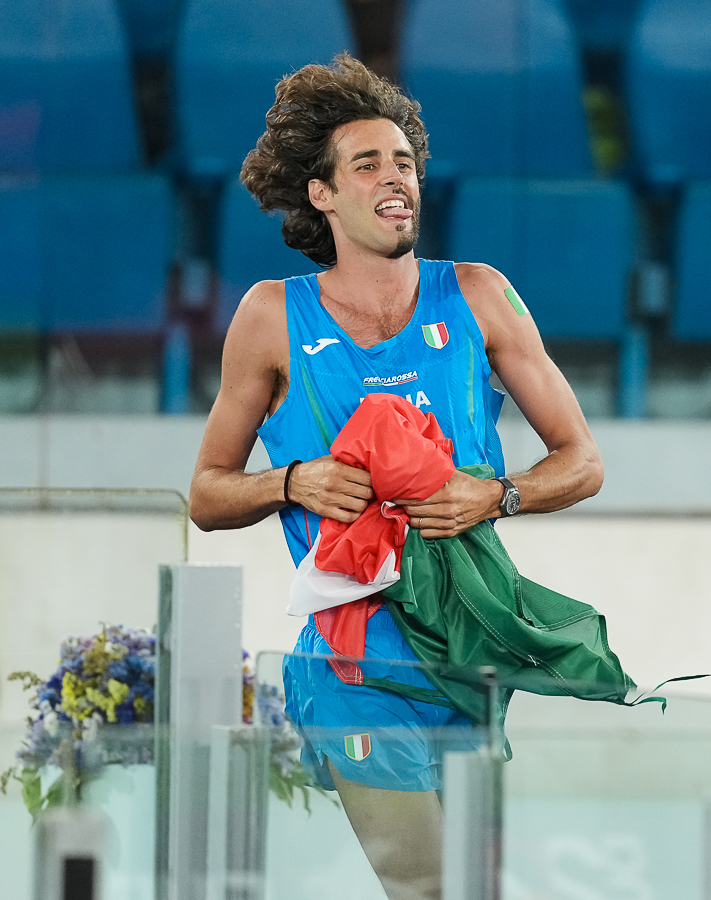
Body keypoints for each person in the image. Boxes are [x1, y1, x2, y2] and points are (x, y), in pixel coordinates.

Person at [190, 54, 604, 900]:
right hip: (354, 667)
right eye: (368, 164)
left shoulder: (480, 294)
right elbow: (206, 493)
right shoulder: (270, 315)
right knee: (425, 885)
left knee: (470, 887)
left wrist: (499, 494)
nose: (395, 178)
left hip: (468, 648)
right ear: (321, 194)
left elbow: (583, 461)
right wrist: (290, 482)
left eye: (406, 162)